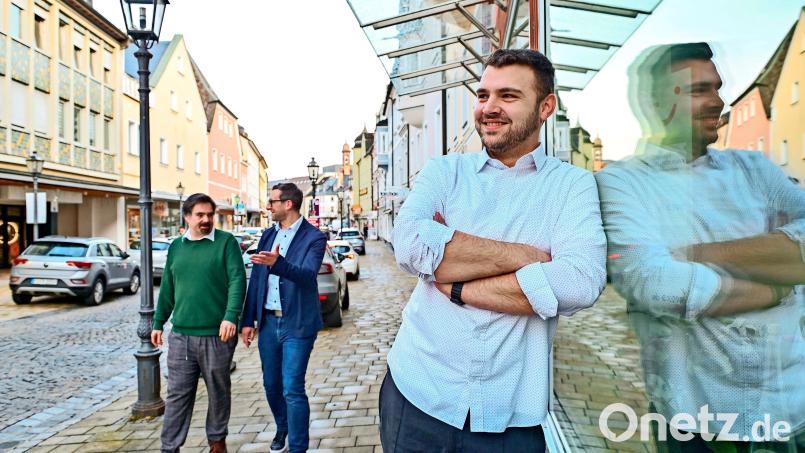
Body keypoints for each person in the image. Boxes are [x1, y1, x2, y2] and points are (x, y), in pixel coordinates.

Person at [381, 48, 607, 452]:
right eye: (483, 95)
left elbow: (579, 282)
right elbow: (411, 245)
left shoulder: (572, 186)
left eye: (508, 96)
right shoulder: (445, 171)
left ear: (546, 107)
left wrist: (457, 285)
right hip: (417, 394)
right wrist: (528, 257)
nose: (489, 107)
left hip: (511, 418)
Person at [596, 43, 805, 450]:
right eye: (698, 91)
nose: (717, 102)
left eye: (717, 88)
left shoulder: (753, 169)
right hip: (698, 420)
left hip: (792, 409)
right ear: (656, 103)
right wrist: (778, 287)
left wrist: (699, 255)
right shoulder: (623, 182)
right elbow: (657, 284)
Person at [151, 193, 246, 453]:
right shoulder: (176, 247)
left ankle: (217, 441)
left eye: (209, 215)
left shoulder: (226, 243)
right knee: (177, 395)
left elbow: (237, 280)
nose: (205, 220)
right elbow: (168, 287)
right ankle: (169, 447)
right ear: (187, 217)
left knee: (218, 391)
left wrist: (230, 316)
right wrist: (158, 322)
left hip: (217, 335)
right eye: (199, 215)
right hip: (181, 336)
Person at [240, 182, 328, 453]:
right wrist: (247, 320)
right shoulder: (268, 235)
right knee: (271, 384)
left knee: (292, 387)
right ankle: (283, 426)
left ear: (288, 204)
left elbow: (307, 275)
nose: (268, 206)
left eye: (273, 202)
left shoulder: (314, 237)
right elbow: (257, 278)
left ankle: (298, 447)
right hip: (268, 322)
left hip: (297, 323)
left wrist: (278, 264)